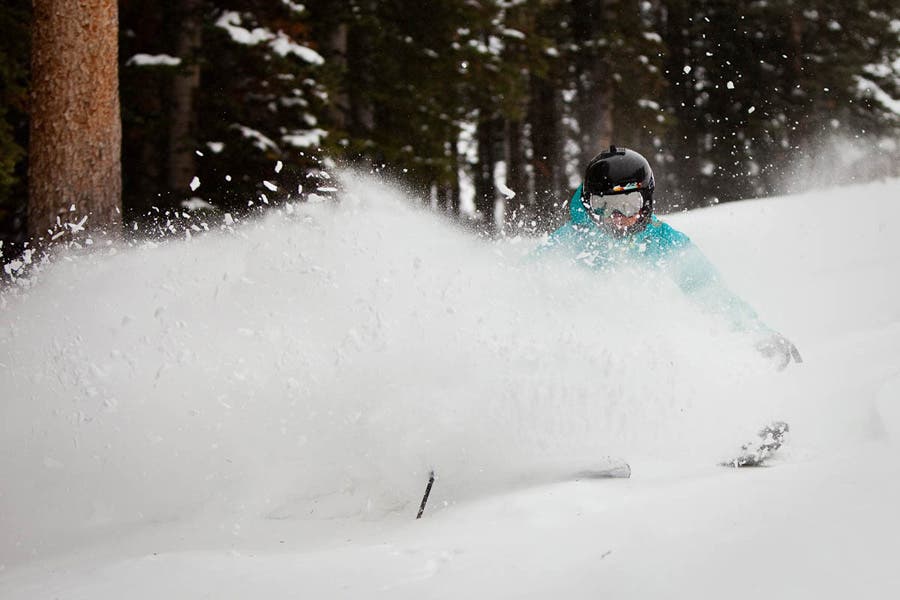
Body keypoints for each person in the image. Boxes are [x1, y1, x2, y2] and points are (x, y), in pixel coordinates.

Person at [535, 145, 802, 370]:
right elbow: (526, 290)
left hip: (650, 360)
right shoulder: (568, 244)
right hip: (586, 359)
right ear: (588, 204)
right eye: (604, 206)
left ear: (647, 200)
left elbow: (710, 292)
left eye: (629, 204)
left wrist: (756, 333)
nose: (617, 218)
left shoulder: (665, 243)